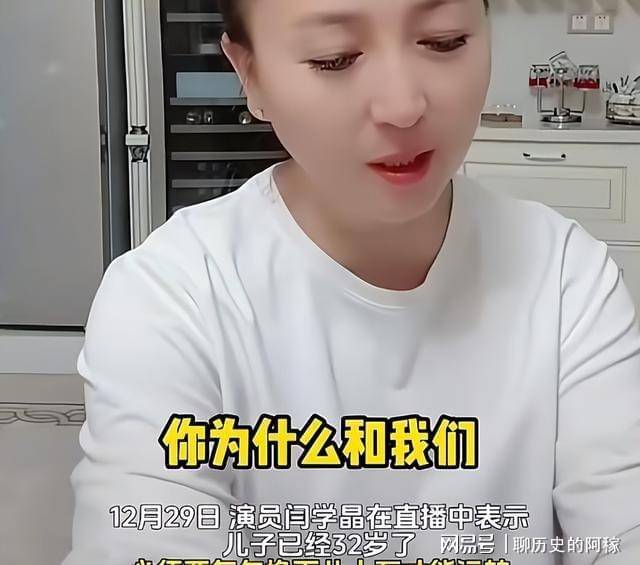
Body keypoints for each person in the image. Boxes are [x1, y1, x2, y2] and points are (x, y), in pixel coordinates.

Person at [63, 1, 640, 564]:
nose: (403, 107)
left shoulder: (567, 277)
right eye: (334, 58)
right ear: (250, 74)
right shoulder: (172, 296)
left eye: (444, 42)